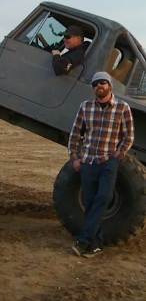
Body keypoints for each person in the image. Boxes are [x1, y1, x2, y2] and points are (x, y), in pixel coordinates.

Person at [68, 71, 134, 258]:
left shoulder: (122, 107)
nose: (99, 86)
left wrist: (118, 154)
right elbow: (75, 133)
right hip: (88, 161)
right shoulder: (85, 107)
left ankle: (82, 240)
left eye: (103, 83)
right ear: (93, 88)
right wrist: (74, 157)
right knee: (89, 203)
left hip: (108, 162)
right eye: (96, 84)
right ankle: (95, 244)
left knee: (103, 198)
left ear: (110, 86)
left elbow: (129, 135)